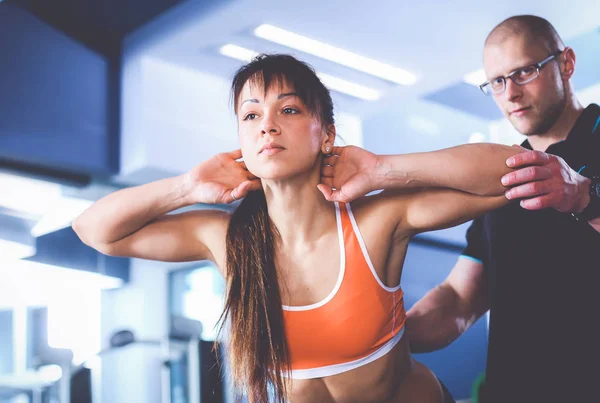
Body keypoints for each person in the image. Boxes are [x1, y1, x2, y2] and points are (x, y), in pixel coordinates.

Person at [72, 54, 520, 403]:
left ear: (326, 134)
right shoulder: (228, 242)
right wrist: (187, 187)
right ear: (242, 142)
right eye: (250, 116)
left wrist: (385, 168)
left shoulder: (376, 222)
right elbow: (95, 230)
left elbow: (512, 172)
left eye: (287, 109)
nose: (267, 124)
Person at [373, 15, 598, 403]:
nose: (510, 93)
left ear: (567, 63)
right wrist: (384, 341)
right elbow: (460, 299)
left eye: (524, 71)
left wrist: (584, 196)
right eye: (497, 81)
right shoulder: (501, 172)